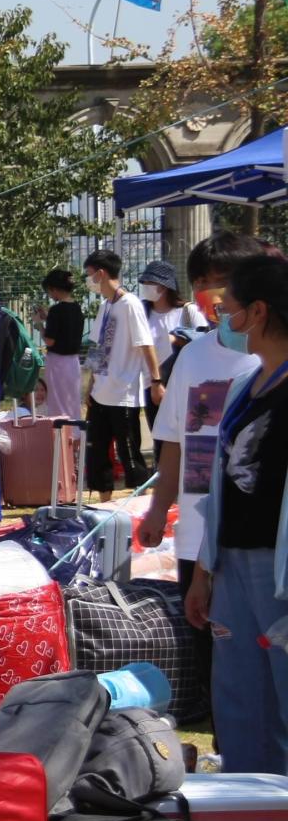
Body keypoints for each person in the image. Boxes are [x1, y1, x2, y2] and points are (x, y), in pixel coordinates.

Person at [141, 233, 266, 749]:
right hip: (198, 536)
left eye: (222, 283)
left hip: (256, 540)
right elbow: (174, 440)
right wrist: (158, 509)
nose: (212, 296)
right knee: (215, 655)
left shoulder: (269, 359)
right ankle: (229, 753)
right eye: (201, 284)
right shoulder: (193, 357)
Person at [188, 249, 288, 776]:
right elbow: (220, 483)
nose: (223, 318)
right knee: (240, 699)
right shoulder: (248, 384)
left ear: (259, 311)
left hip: (279, 570)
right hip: (232, 564)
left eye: (229, 307)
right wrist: (204, 571)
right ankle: (248, 804)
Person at [83, 248, 160, 496]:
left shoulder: (130, 304)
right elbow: (97, 346)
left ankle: (141, 502)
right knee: (97, 453)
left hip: (123, 393)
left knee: (129, 453)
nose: (88, 280)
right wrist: (89, 384)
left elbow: (146, 344)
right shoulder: (105, 306)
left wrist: (156, 380)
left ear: (101, 274)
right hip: (100, 392)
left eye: (89, 274)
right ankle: (104, 503)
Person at [141, 259, 204, 456]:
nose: (146, 287)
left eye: (151, 283)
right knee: (160, 437)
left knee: (183, 436)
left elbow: (205, 339)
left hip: (181, 383)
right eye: (145, 283)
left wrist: (177, 339)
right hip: (151, 385)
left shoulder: (187, 311)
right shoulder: (142, 313)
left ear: (164, 286)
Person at [38, 268, 84, 419]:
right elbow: (65, 327)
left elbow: (49, 341)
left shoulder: (56, 310)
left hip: (57, 363)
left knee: (57, 402)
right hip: (74, 363)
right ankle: (75, 431)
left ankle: (61, 431)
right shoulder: (77, 308)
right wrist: (48, 318)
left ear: (54, 289)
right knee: (72, 402)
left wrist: (40, 325)